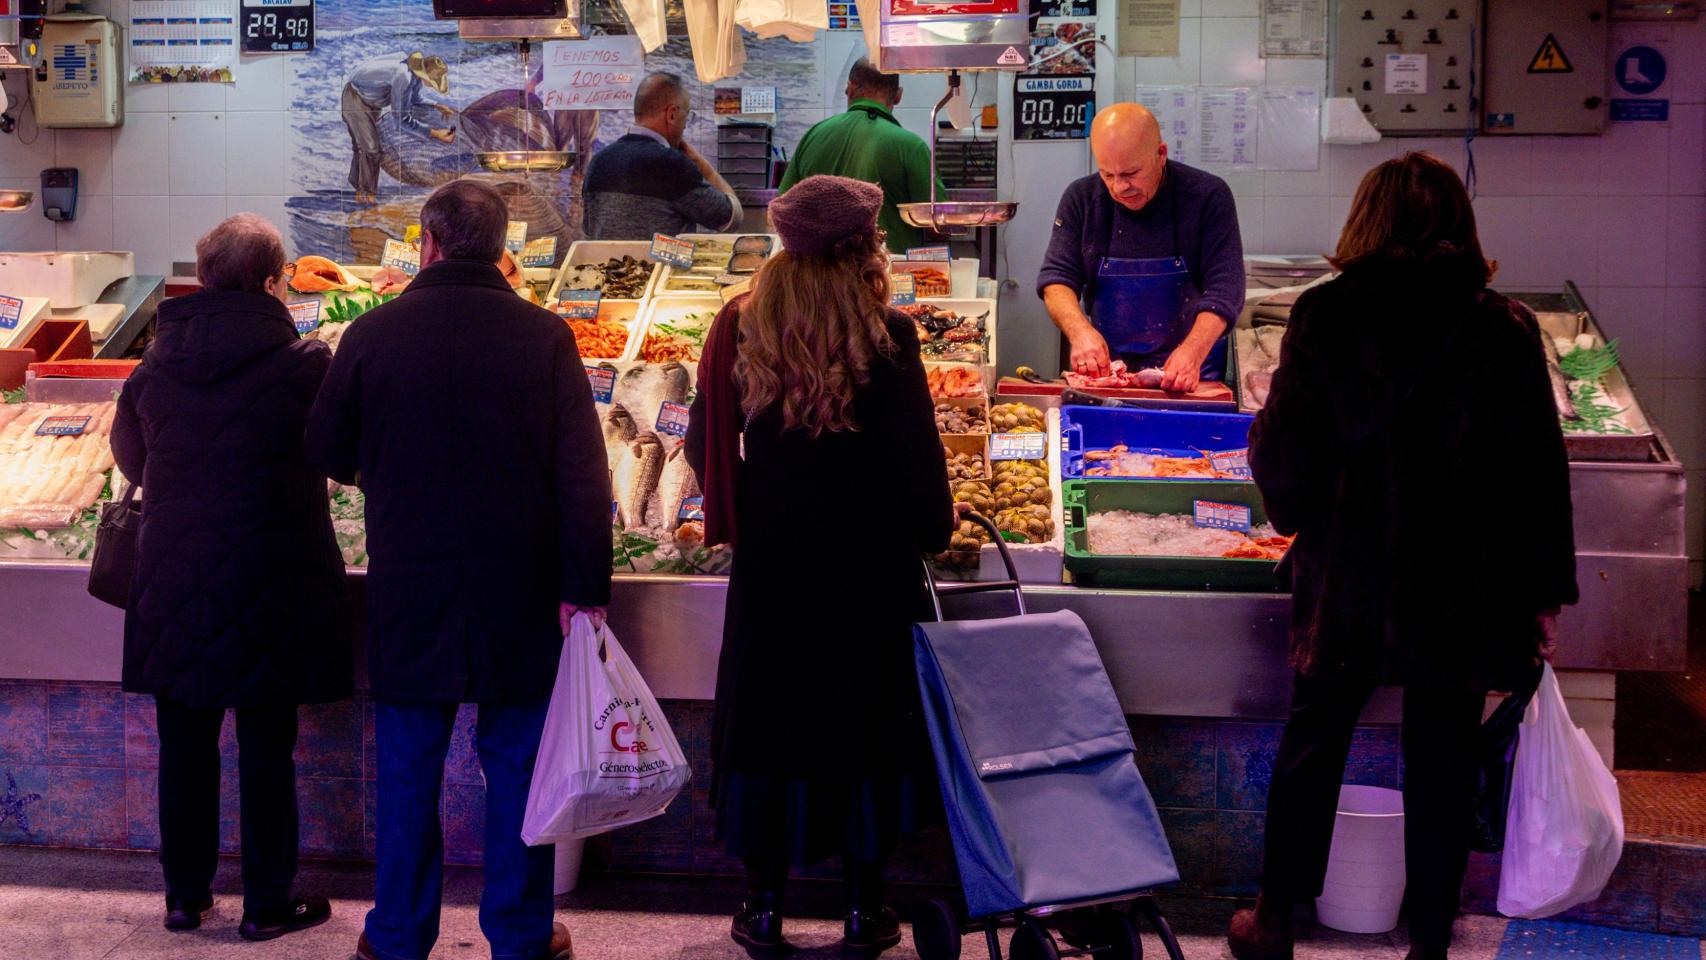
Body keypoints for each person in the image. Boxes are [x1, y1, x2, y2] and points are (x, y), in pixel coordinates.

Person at [1228, 153, 1578, 960]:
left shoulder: (1326, 316)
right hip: (1463, 584)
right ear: (1460, 226)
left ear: (1367, 222)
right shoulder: (1505, 328)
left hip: (1350, 577)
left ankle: (1274, 917)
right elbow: (1538, 474)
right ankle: (1429, 946)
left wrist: (1299, 507)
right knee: (1444, 757)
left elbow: (1284, 455)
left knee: (1315, 736)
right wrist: (1542, 595)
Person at [305, 180, 612, 960]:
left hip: (412, 582)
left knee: (409, 771)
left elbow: (326, 450)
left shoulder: (372, 335)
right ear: (502, 249)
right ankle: (520, 933)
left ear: (428, 243)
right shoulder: (545, 336)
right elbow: (585, 476)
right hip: (522, 586)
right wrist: (585, 590)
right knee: (519, 770)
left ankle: (399, 935)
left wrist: (389, 472)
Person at [683, 175, 954, 958]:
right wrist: (934, 528)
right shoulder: (887, 337)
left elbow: (705, 447)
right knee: (864, 734)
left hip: (771, 577)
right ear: (864, 246)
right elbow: (920, 469)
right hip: (868, 580)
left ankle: (763, 908)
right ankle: (866, 911)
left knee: (771, 728)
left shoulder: (739, 329)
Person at [112, 213, 351, 941]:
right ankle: (265, 903)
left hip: (173, 579)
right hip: (271, 581)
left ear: (204, 274)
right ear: (275, 283)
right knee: (266, 746)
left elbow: (131, 459)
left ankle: (184, 898)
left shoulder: (153, 367)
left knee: (183, 743)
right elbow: (341, 454)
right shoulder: (306, 363)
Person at [1037, 102, 1245, 393]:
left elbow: (1226, 289)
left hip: (1190, 375)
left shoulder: (1207, 197)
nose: (1120, 187)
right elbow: (1057, 279)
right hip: (1107, 375)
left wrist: (1193, 352)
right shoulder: (1082, 198)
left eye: (1131, 173)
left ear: (1161, 154)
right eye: (1107, 175)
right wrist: (1080, 331)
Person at [780, 58, 943, 254]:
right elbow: (939, 223)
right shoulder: (910, 146)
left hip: (818, 276)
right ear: (898, 96)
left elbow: (782, 210)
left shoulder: (813, 135)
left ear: (850, 88)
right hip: (883, 275)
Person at [583, 72, 743, 240]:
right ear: (672, 114)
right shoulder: (672, 164)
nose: (684, 126)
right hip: (662, 266)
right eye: (686, 116)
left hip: (602, 265)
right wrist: (703, 166)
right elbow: (731, 218)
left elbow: (589, 231)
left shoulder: (598, 162)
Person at [343, 52, 457, 206]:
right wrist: (435, 133)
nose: (433, 84)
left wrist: (436, 105)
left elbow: (414, 99)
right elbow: (401, 119)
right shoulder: (403, 76)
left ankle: (360, 190)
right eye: (434, 81)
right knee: (371, 149)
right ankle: (366, 195)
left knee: (364, 146)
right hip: (355, 98)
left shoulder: (414, 75)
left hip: (371, 101)